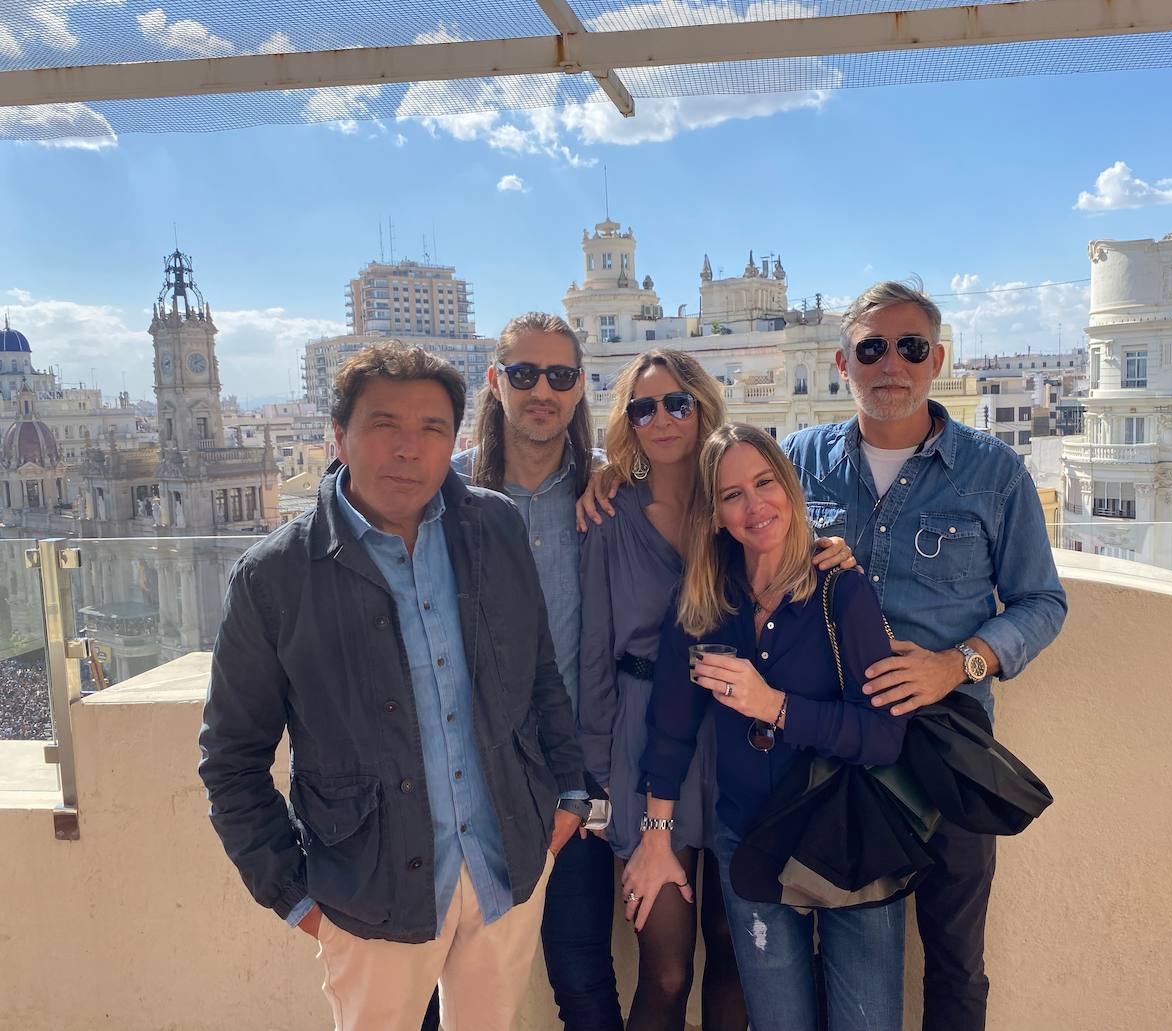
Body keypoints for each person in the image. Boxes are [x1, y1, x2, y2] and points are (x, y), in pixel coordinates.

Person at [199, 342, 585, 1031]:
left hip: (506, 870)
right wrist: (298, 898)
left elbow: (539, 676)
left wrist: (568, 797)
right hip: (366, 894)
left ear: (455, 441)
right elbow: (231, 762)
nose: (410, 449)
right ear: (338, 438)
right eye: (385, 425)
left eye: (433, 428)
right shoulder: (276, 578)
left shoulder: (495, 527)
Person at [782, 281, 1068, 1031]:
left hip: (948, 744)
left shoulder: (992, 471)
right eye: (871, 348)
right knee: (824, 930)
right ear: (844, 361)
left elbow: (1043, 602)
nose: (891, 364)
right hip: (832, 738)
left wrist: (959, 663)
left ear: (937, 359)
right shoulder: (801, 460)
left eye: (910, 347)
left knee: (953, 951)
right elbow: (728, 528)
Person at [578, 350, 856, 1031]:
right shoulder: (609, 514)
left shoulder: (736, 506)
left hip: (739, 736)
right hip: (648, 747)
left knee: (736, 954)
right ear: (628, 422)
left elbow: (786, 550)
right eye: (643, 407)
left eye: (677, 401)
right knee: (667, 966)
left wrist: (833, 549)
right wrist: (598, 783)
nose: (662, 418)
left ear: (703, 406)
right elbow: (593, 659)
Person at [625, 422, 911, 1031]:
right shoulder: (705, 598)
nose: (755, 506)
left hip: (846, 836)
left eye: (765, 482)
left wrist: (775, 706)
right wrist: (655, 837)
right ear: (716, 514)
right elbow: (671, 728)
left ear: (790, 486)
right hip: (749, 836)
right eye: (732, 495)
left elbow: (884, 737)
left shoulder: (841, 589)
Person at [453, 312, 622, 1031]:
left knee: (583, 977)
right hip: (465, 782)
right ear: (496, 382)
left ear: (580, 387)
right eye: (524, 374)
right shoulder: (447, 493)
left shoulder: (606, 494)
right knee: (439, 980)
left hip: (572, 778)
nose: (541, 390)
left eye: (559, 375)